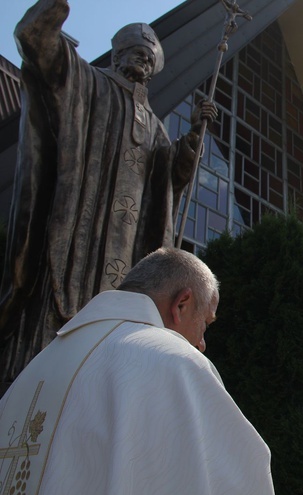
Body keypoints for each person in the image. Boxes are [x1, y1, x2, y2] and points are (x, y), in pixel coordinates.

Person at [0, 0, 216, 383]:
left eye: (150, 60)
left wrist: (192, 142)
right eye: (137, 53)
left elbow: (168, 183)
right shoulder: (89, 84)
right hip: (76, 241)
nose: (143, 64)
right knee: (55, 326)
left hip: (126, 253)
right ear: (117, 54)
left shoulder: (154, 126)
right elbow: (39, 43)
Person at [0, 247, 275, 495]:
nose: (202, 344)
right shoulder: (176, 362)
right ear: (181, 304)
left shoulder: (36, 366)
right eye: (205, 323)